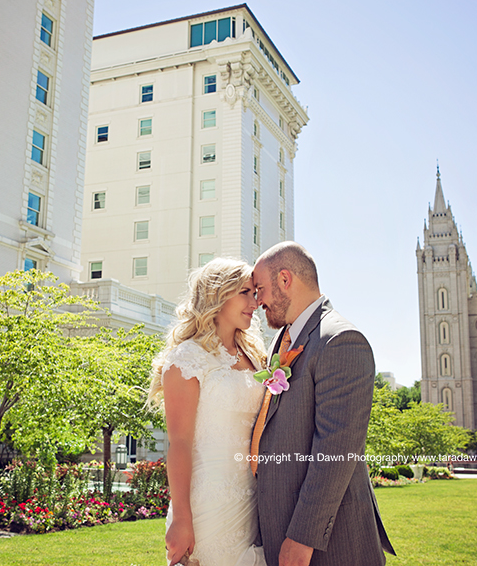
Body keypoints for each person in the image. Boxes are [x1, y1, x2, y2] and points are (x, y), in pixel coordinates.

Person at [250, 242, 396, 566]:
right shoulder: (281, 340)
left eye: (260, 289)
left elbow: (336, 450)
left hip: (328, 544)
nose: (257, 300)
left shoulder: (340, 340)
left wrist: (302, 537)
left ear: (285, 280)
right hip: (278, 529)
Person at [148, 258, 269, 566]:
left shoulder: (255, 356)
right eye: (245, 292)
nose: (254, 302)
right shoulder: (187, 359)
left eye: (255, 293)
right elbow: (179, 444)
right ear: (218, 294)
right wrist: (182, 518)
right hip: (208, 506)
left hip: (253, 499)